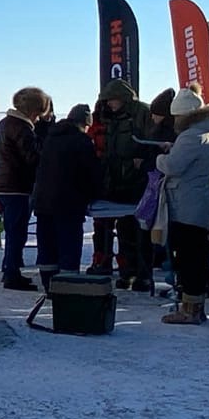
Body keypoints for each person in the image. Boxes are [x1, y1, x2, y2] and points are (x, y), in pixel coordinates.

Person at [155, 88, 209, 324]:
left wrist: (160, 158)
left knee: (188, 257)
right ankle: (195, 305)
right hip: (199, 201)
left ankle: (189, 310)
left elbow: (173, 166)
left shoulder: (190, 136)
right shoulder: (208, 131)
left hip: (185, 203)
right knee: (197, 255)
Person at [90, 80, 155, 290]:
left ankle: (143, 275)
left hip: (137, 183)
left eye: (111, 100)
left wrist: (139, 164)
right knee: (126, 231)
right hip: (116, 182)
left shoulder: (141, 114)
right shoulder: (110, 118)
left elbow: (150, 144)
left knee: (140, 232)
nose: (109, 104)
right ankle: (128, 273)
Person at [33, 104, 103, 283]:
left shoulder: (51, 137)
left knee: (47, 244)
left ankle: (48, 283)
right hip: (69, 203)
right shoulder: (82, 141)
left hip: (43, 201)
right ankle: (67, 286)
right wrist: (95, 193)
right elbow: (91, 172)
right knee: (68, 245)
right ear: (84, 123)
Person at [0, 87, 48, 291]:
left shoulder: (4, 124)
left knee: (14, 229)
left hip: (3, 185)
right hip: (16, 186)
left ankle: (11, 268)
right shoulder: (21, 128)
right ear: (33, 111)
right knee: (17, 232)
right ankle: (11, 272)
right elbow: (32, 158)